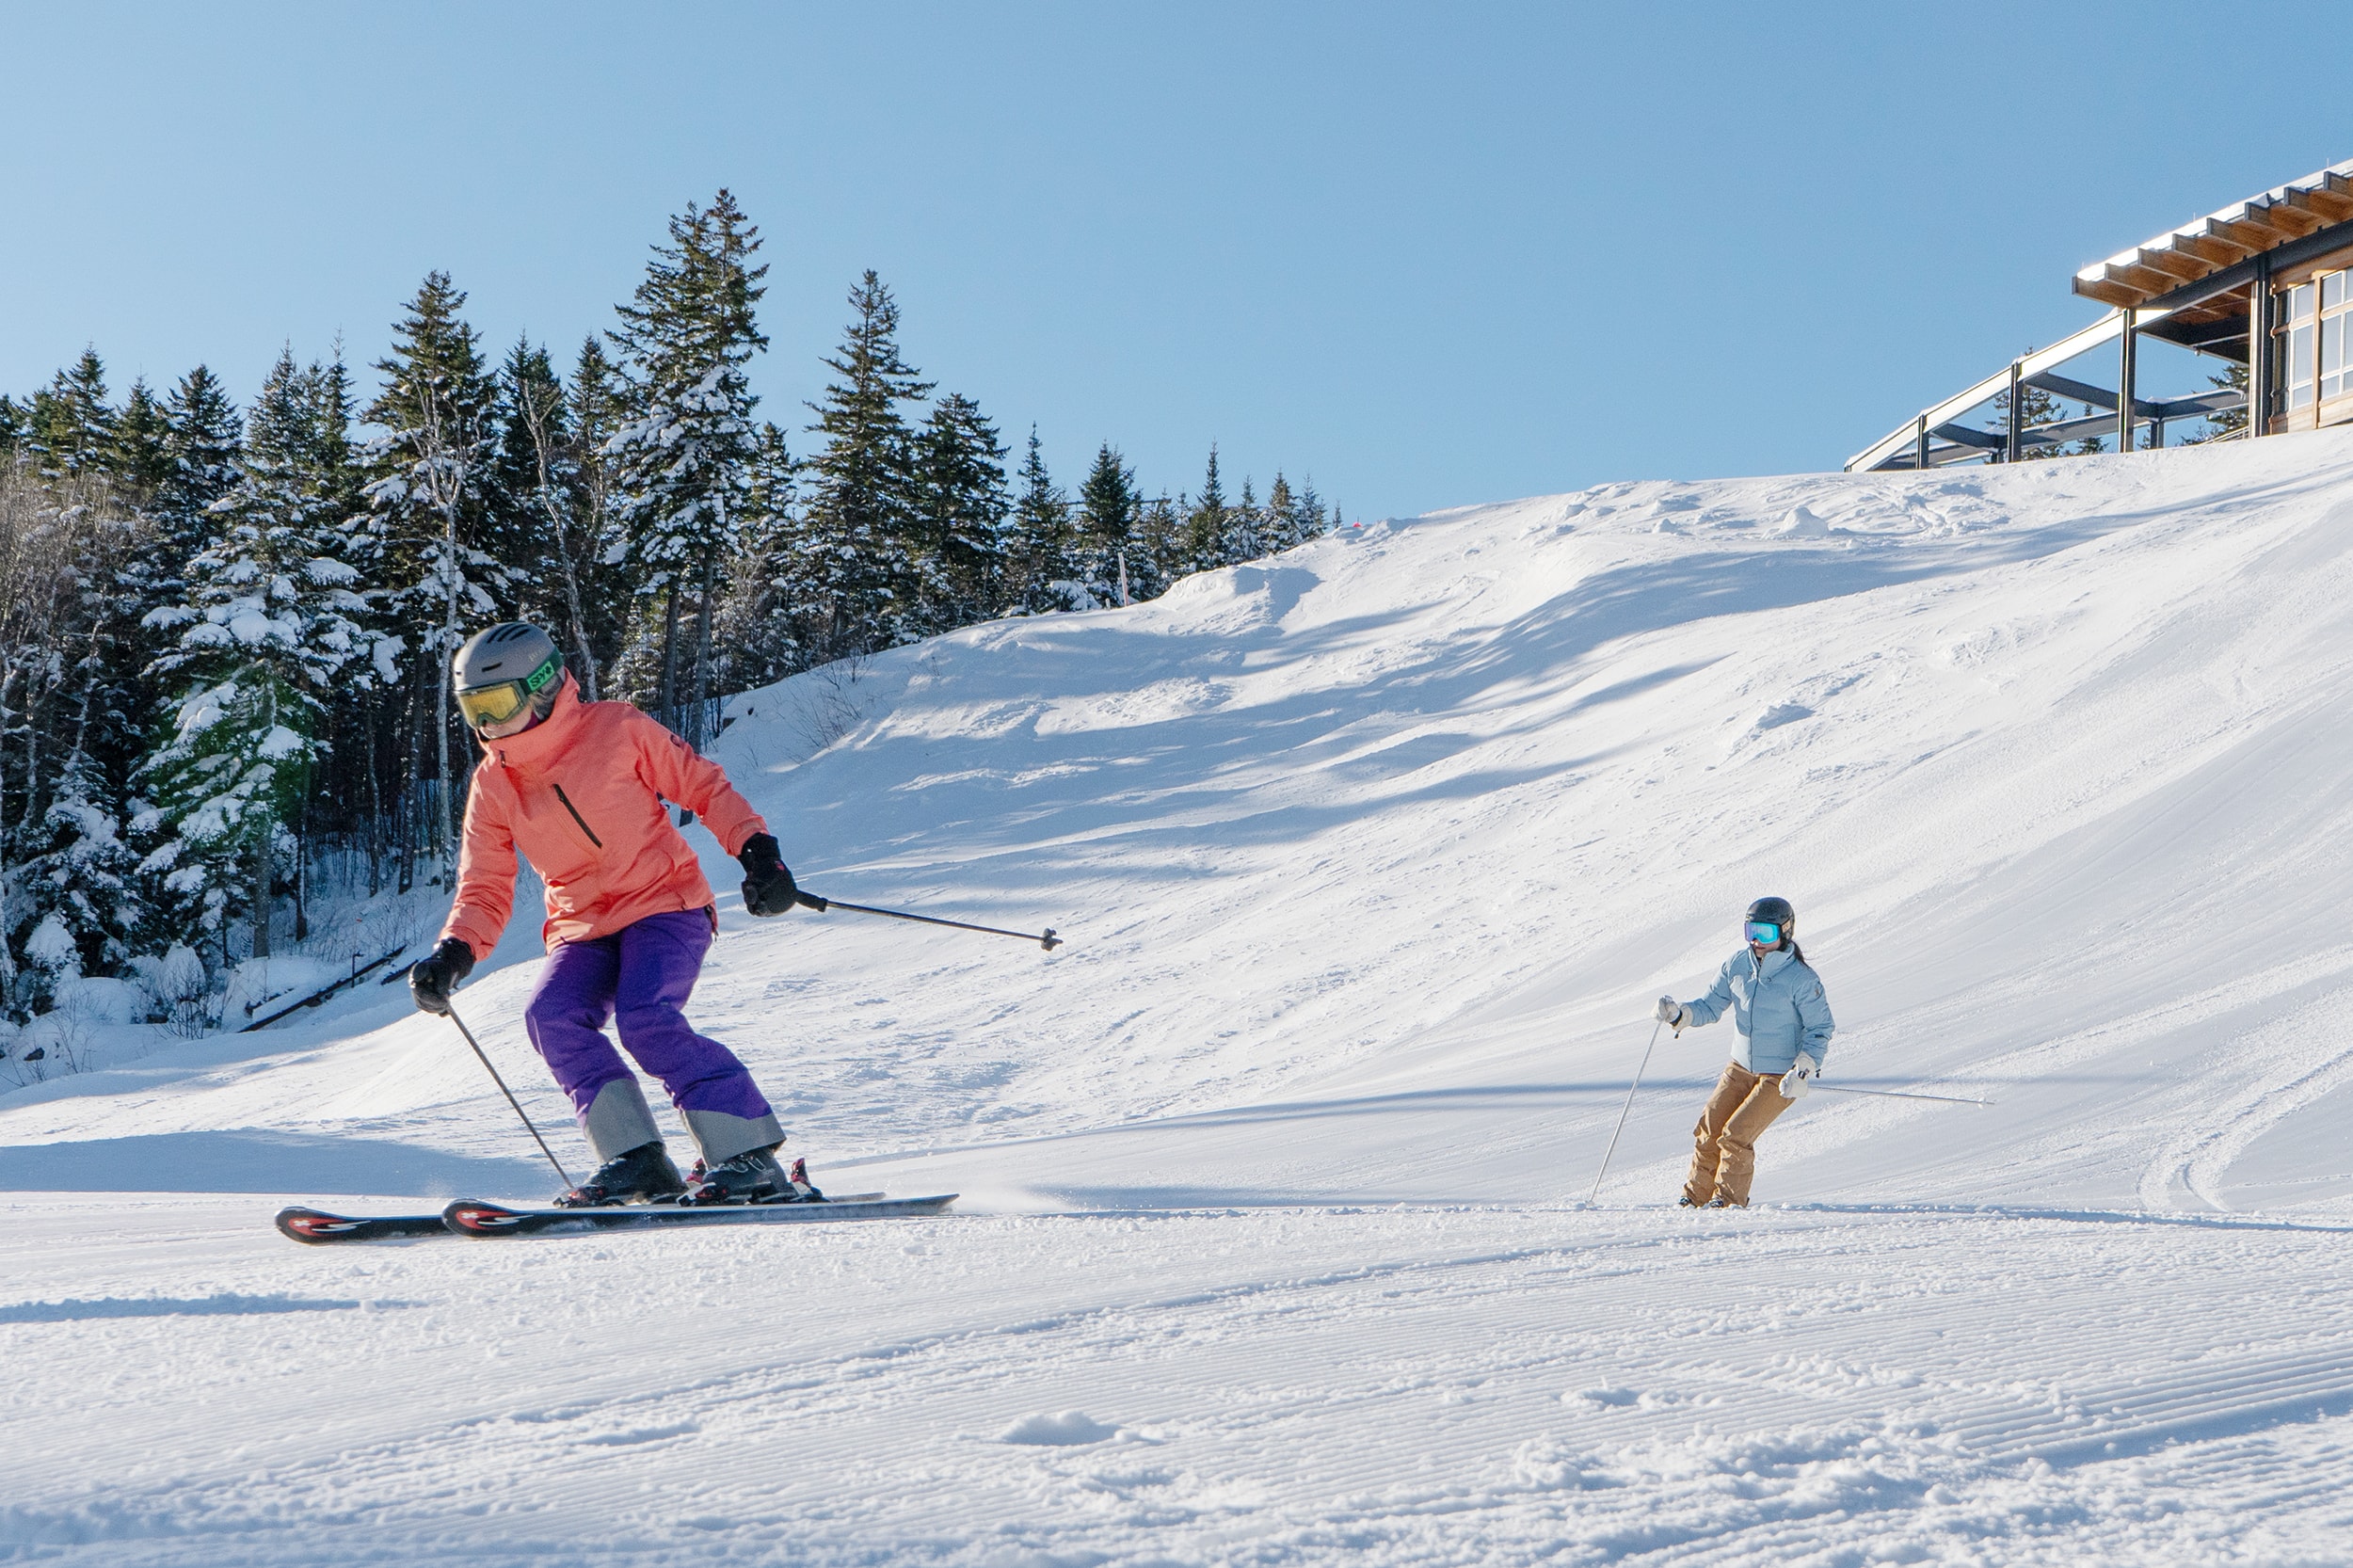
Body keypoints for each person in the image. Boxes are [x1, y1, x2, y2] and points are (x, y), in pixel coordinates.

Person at [406, 621, 809, 1208]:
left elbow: (703, 788)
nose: (486, 725)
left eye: (496, 704)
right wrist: (454, 952)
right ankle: (636, 1159)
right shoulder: (493, 784)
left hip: (664, 904)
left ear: (542, 687)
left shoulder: (617, 728)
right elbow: (485, 885)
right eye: (473, 709)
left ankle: (745, 1154)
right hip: (581, 926)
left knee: (646, 1018)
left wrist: (758, 854)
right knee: (551, 1016)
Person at [1654, 896, 1834, 1208]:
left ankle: (1728, 1202)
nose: (1756, 941)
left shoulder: (1802, 980)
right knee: (1709, 1129)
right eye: (1750, 931)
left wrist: (1803, 1068)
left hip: (1780, 1077)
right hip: (1740, 1067)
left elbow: (1820, 1028)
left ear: (1785, 932)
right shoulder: (1737, 965)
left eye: (1764, 934)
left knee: (1736, 1134)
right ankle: (1695, 1197)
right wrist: (1678, 1014)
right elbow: (1710, 1006)